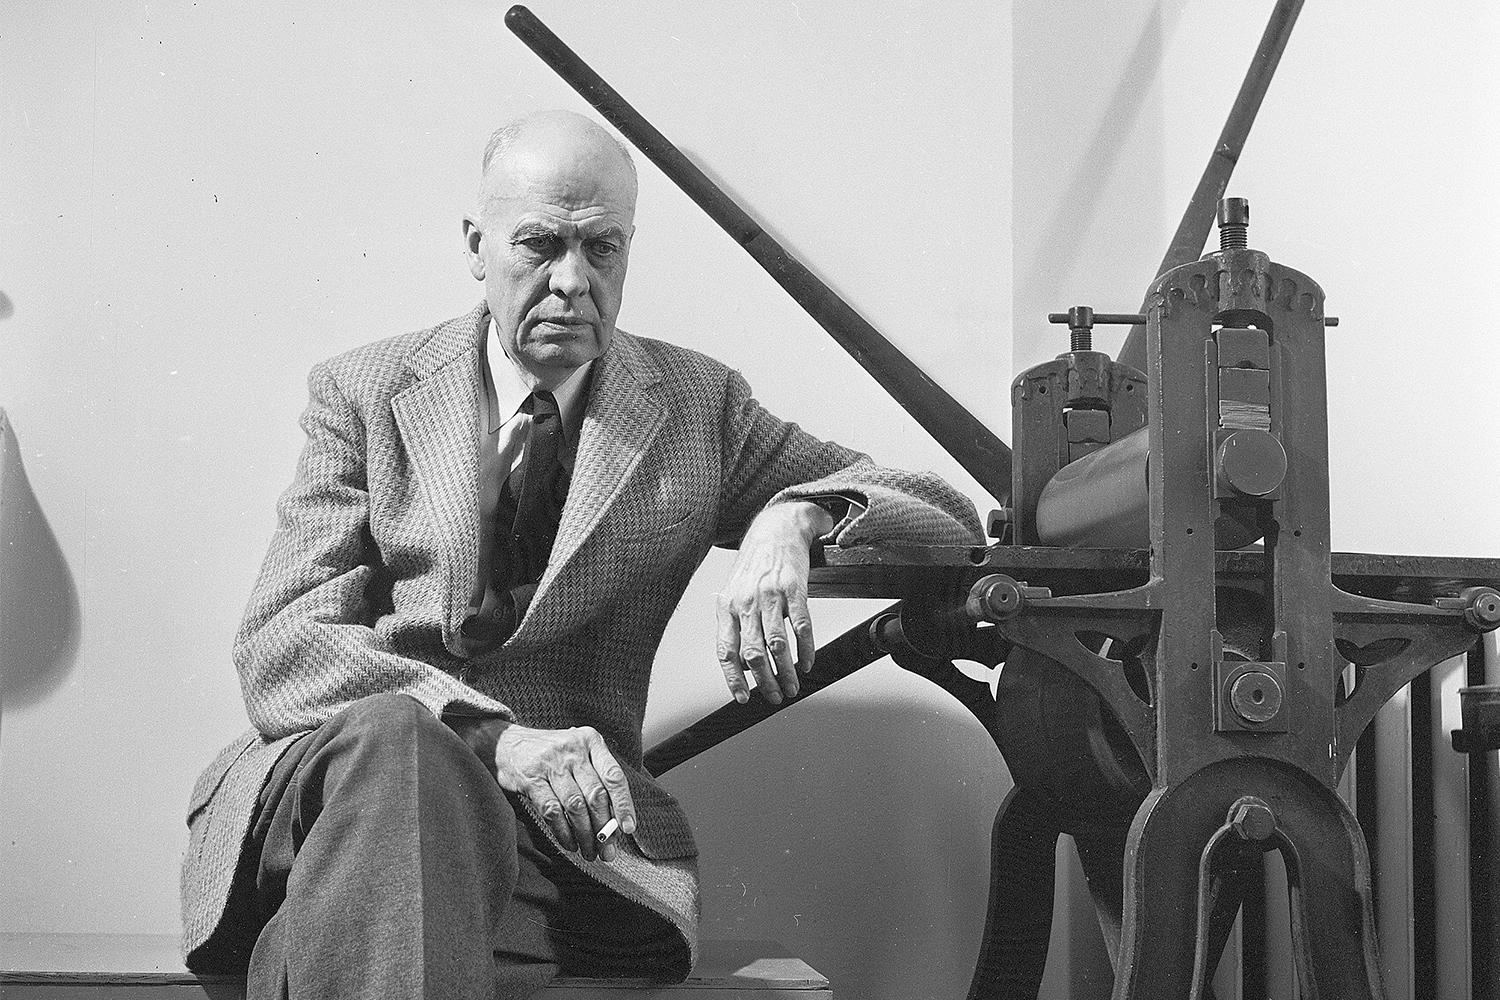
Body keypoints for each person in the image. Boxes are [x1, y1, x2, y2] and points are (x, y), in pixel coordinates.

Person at [180, 109, 983, 1000]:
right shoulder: (363, 393)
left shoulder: (694, 406)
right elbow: (282, 645)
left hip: (550, 845)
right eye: (540, 244)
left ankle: (303, 941)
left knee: (365, 917)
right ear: (476, 246)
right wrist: (494, 740)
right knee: (400, 740)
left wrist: (795, 516)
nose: (572, 280)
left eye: (603, 250)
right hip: (344, 786)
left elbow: (946, 516)